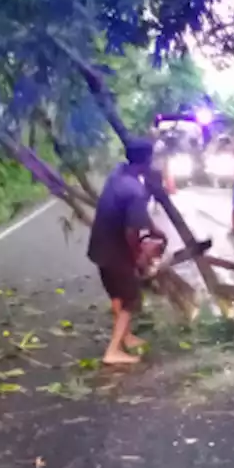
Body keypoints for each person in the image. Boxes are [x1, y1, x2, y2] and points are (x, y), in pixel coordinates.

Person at [87, 138, 167, 365]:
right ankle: (112, 352)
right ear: (147, 161)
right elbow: (132, 232)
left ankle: (126, 336)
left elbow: (135, 217)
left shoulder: (117, 174)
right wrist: (138, 257)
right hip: (116, 251)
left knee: (117, 294)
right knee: (131, 299)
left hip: (99, 246)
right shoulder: (136, 190)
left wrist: (154, 230)